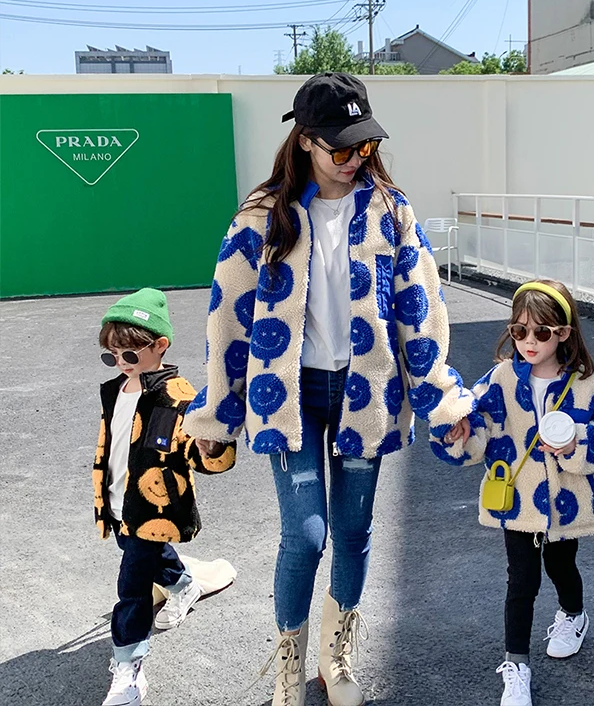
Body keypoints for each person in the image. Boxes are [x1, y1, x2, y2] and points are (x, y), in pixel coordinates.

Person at [182, 72, 474, 706]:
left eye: (364, 145)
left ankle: (333, 658)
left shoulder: (392, 211)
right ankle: (288, 663)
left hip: (367, 392)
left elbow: (420, 311)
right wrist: (218, 414)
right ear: (305, 140)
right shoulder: (261, 217)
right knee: (306, 535)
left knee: (353, 530)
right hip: (288, 396)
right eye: (340, 147)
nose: (354, 157)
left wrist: (441, 397)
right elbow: (227, 320)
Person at [438, 280, 594, 706]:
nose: (529, 341)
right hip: (519, 502)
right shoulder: (502, 378)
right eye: (519, 330)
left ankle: (573, 614)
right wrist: (460, 430)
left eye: (541, 332)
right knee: (521, 581)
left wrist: (576, 442)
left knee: (561, 567)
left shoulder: (586, 384)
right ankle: (516, 666)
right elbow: (477, 419)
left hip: (567, 502)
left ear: (563, 333)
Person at [94, 288, 236, 706]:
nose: (121, 363)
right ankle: (184, 584)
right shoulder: (116, 391)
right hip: (119, 503)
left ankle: (129, 670)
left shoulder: (178, 396)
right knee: (146, 557)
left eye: (129, 354)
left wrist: (213, 446)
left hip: (154, 509)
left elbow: (200, 453)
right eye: (112, 356)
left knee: (132, 586)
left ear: (160, 345)